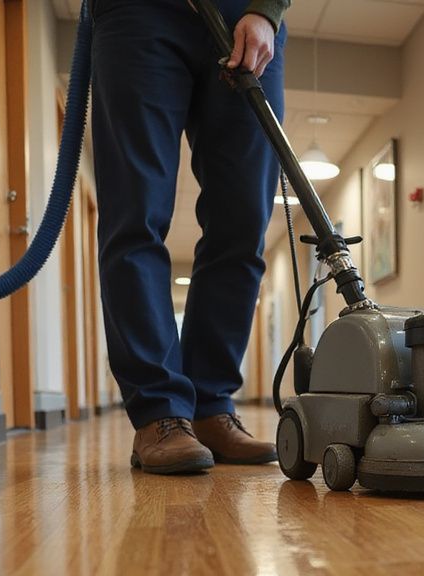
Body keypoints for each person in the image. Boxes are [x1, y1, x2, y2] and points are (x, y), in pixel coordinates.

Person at [91, 0, 290, 474]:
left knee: (242, 222)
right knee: (136, 213)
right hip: (139, 15)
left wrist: (267, 8)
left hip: (248, 15)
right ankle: (160, 412)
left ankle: (209, 405)